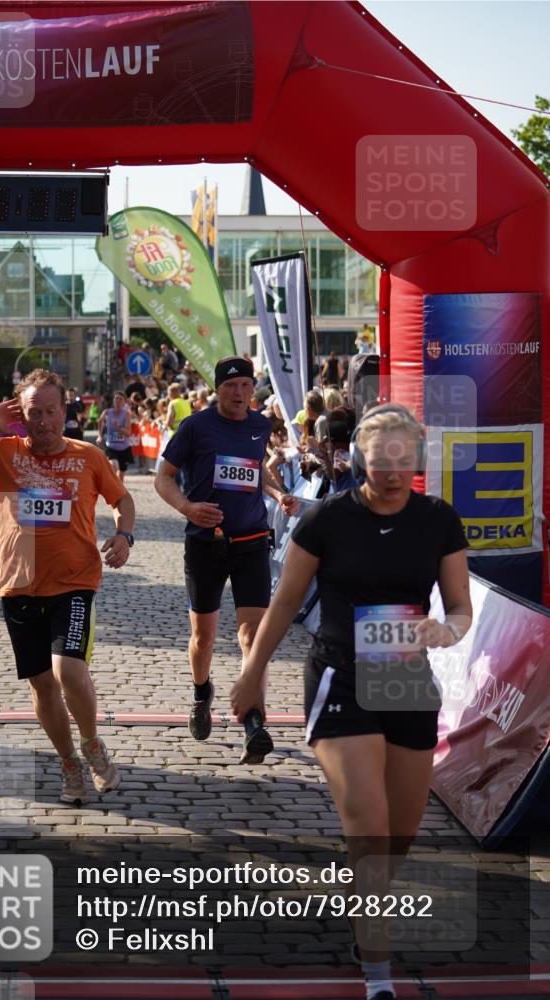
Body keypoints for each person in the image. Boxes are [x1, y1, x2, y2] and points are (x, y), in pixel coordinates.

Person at [231, 404, 472, 1000]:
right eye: (380, 460)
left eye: (403, 460)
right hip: (340, 678)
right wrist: (252, 674)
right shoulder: (327, 518)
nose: (392, 472)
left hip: (405, 680)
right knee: (368, 824)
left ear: (417, 460)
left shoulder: (439, 520)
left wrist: (447, 630)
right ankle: (379, 974)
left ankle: (365, 902)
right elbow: (286, 601)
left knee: (401, 834)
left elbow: (460, 608)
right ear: (360, 458)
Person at [0, 369, 136, 806]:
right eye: (33, 413)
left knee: (68, 671)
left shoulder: (88, 456)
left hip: (74, 581)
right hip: (17, 583)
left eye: (51, 411)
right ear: (20, 414)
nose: (43, 421)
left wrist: (123, 534)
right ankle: (69, 763)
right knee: (41, 685)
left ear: (64, 410)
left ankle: (91, 742)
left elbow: (122, 499)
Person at [155, 356, 299, 765]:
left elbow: (256, 468)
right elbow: (163, 478)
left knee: (252, 637)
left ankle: (254, 722)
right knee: (203, 638)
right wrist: (188, 507)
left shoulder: (259, 425)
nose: (239, 393)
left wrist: (278, 493)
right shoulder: (195, 427)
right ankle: (202, 693)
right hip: (205, 545)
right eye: (231, 386)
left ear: (253, 388)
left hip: (252, 542)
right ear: (217, 389)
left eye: (245, 386)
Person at [97, 390, 133, 483]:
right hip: (111, 446)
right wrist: (100, 435)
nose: (118, 401)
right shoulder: (107, 412)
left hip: (124, 447)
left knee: (121, 475)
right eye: (116, 398)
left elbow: (128, 433)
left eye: (120, 399)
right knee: (114, 466)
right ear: (113, 400)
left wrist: (118, 427)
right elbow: (99, 421)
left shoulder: (126, 414)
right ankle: (110, 485)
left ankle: (118, 489)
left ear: (124, 402)